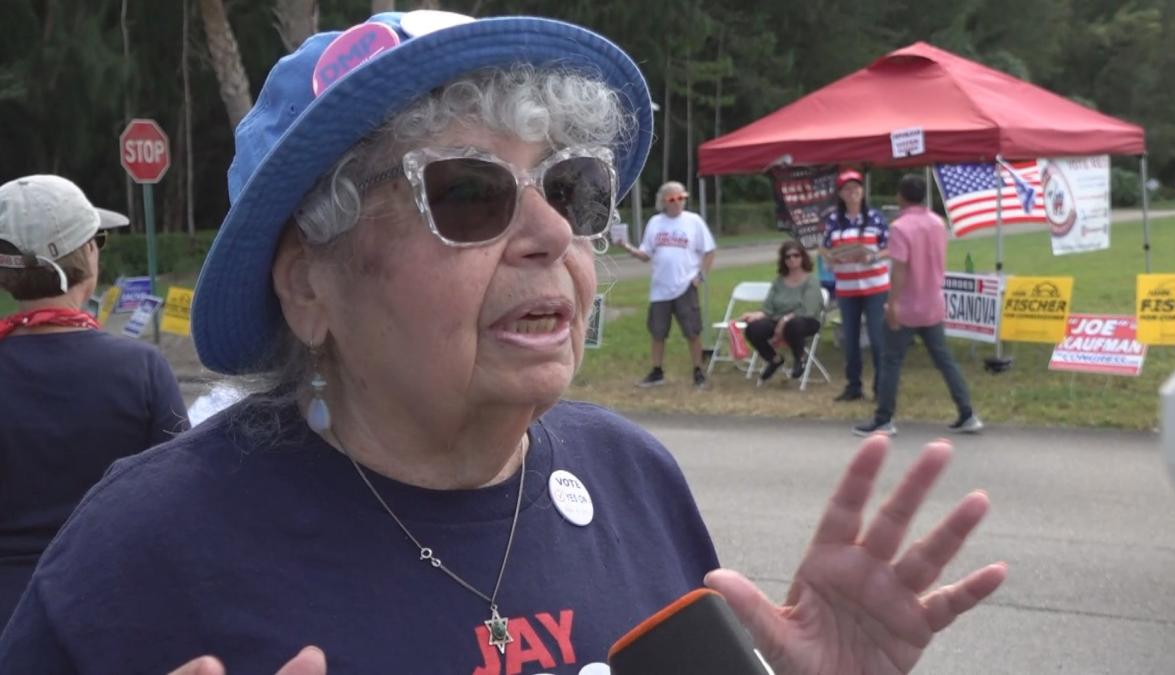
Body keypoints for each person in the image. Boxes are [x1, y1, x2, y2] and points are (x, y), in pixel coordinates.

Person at [0, 11, 1005, 674]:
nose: (553, 234)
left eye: (570, 187)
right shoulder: (143, 552)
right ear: (310, 285)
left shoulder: (633, 476)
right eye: (470, 193)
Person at [0, 174, 189, 625]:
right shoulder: (141, 369)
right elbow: (181, 498)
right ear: (87, 253)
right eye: (97, 238)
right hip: (110, 604)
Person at [854, 175, 983, 437]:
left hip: (908, 305)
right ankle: (967, 412)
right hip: (933, 302)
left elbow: (900, 270)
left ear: (900, 196)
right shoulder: (938, 223)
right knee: (944, 360)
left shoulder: (900, 227)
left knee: (891, 361)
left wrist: (891, 305)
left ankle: (884, 418)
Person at [621, 181, 715, 388]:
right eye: (672, 199)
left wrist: (700, 276)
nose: (678, 203)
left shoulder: (693, 221)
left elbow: (709, 250)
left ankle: (698, 370)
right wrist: (626, 246)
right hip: (660, 288)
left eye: (682, 198)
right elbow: (646, 254)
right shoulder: (656, 222)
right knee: (658, 331)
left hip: (685, 285)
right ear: (663, 201)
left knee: (692, 331)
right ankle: (657, 371)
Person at [820, 169, 890, 402]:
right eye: (847, 189)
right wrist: (832, 259)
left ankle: (882, 386)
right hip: (847, 287)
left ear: (863, 190)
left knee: (878, 337)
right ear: (840, 194)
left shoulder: (875, 217)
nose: (853, 192)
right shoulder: (833, 221)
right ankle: (853, 385)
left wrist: (873, 256)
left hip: (875, 285)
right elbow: (825, 249)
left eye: (856, 187)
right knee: (850, 338)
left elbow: (889, 246)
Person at [739, 241, 825, 384]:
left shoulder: (811, 280)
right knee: (753, 329)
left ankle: (800, 359)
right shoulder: (779, 281)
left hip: (805, 320)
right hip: (778, 320)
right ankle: (774, 359)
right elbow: (768, 308)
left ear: (802, 257)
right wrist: (754, 315)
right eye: (788, 257)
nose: (792, 259)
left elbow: (808, 309)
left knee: (793, 324)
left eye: (796, 255)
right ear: (783, 260)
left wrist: (784, 321)